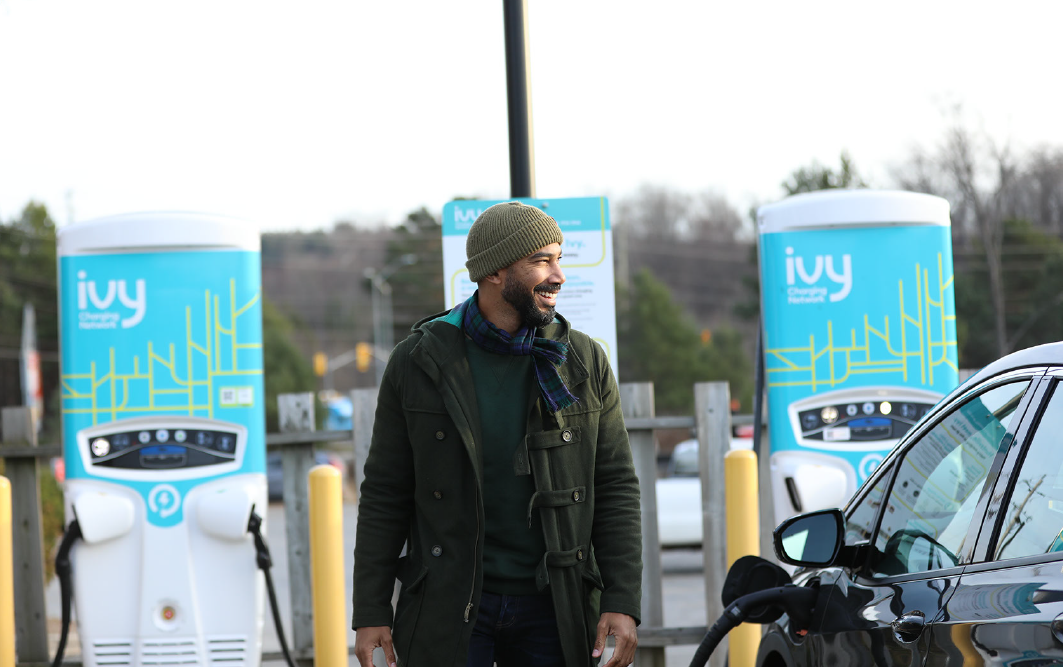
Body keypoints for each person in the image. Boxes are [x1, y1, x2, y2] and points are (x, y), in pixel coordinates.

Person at [352, 201, 642, 667]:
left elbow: (616, 488)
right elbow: (385, 492)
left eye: (559, 259)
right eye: (542, 261)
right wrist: (370, 609)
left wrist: (622, 598)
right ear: (495, 273)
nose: (558, 275)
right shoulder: (418, 361)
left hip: (556, 603)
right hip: (450, 601)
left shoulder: (582, 361)